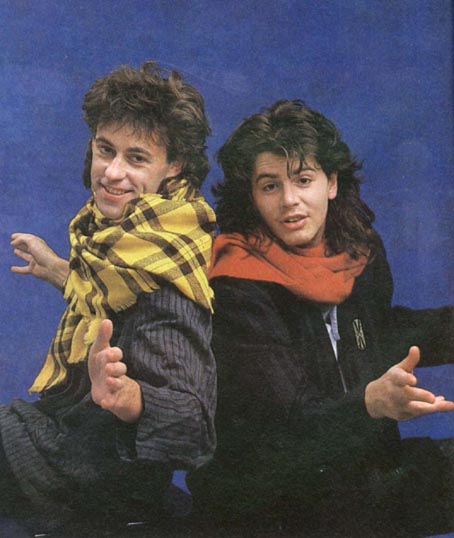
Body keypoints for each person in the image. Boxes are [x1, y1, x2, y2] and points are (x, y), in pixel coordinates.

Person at [188, 100, 454, 537]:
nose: (289, 201)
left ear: (331, 182)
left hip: (353, 475)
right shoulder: (235, 284)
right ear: (251, 196)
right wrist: (371, 402)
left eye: (303, 179)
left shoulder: (357, 251)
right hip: (268, 501)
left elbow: (376, 331)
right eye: (270, 186)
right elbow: (290, 421)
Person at [5, 61, 217, 533]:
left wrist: (131, 398)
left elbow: (194, 426)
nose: (112, 172)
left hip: (88, 479)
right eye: (105, 150)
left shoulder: (166, 273)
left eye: (136, 158)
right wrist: (60, 270)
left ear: (174, 166)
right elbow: (114, 300)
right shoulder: (125, 243)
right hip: (67, 446)